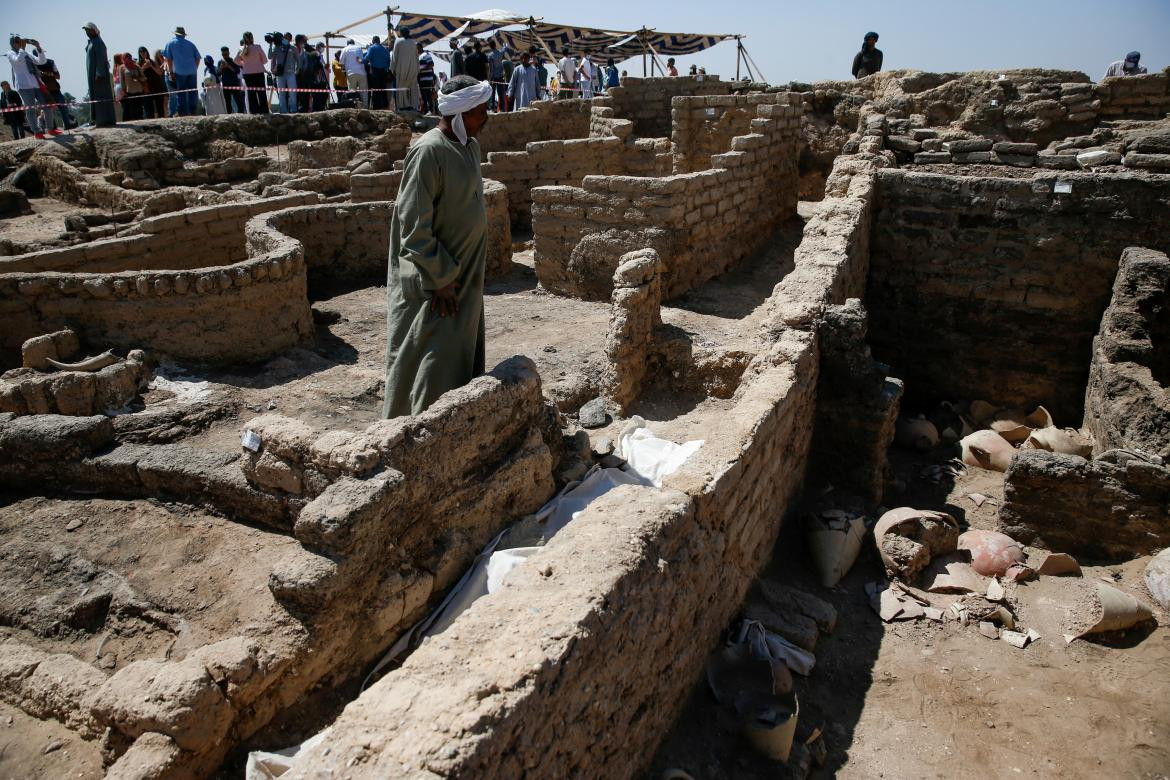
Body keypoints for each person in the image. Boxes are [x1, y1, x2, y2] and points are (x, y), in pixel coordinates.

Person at [383, 75, 493, 419]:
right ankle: (411, 433)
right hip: (437, 285)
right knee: (429, 364)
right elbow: (413, 225)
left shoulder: (470, 148)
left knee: (457, 360)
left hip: (465, 278)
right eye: (479, 111)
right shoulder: (429, 151)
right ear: (459, 114)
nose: (486, 117)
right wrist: (441, 276)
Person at [6, 35, 53, 138]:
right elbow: (17, 60)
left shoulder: (25, 53)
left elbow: (41, 61)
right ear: (13, 43)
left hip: (36, 84)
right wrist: (22, 49)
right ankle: (37, 132)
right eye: (18, 41)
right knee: (31, 109)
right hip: (24, 86)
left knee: (46, 106)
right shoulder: (10, 53)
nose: (20, 43)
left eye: (21, 41)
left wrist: (38, 48)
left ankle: (50, 129)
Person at [83, 23, 116, 127]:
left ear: (94, 30)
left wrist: (99, 73)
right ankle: (96, 119)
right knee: (95, 96)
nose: (88, 32)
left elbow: (101, 59)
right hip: (92, 75)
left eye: (89, 30)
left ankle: (104, 119)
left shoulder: (98, 42)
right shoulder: (92, 42)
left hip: (99, 77)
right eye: (86, 31)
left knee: (101, 96)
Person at [163, 26, 201, 116]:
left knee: (181, 92)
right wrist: (195, 68)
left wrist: (171, 72)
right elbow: (198, 58)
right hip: (192, 71)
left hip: (179, 71)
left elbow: (168, 59)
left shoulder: (170, 44)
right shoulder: (191, 44)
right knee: (192, 92)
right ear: (184, 35)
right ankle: (192, 111)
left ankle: (182, 112)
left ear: (175, 34)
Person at [37, 55, 75, 130]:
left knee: (64, 109)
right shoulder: (34, 64)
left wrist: (51, 74)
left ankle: (68, 127)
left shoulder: (50, 62)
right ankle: (52, 129)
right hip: (45, 92)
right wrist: (42, 73)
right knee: (48, 112)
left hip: (56, 90)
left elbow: (58, 76)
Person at [235, 32, 268, 114]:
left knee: (251, 93)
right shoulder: (257, 47)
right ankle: (264, 110)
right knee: (261, 92)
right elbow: (265, 60)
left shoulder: (241, 48)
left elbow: (236, 61)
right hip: (258, 72)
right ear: (252, 38)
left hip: (247, 74)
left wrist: (244, 64)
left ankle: (254, 111)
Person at [391, 27, 420, 112]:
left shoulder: (398, 41)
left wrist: (392, 68)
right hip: (413, 68)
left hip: (401, 68)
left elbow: (394, 56)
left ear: (401, 33)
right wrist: (417, 68)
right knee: (412, 87)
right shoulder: (413, 42)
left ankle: (403, 105)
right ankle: (413, 105)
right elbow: (416, 56)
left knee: (401, 87)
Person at [269, 32, 298, 113]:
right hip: (280, 74)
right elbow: (270, 56)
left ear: (290, 39)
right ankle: (283, 111)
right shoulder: (277, 47)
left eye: (287, 37)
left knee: (292, 93)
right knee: (281, 93)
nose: (285, 39)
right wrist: (270, 45)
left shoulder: (293, 48)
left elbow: (298, 60)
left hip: (291, 73)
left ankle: (293, 110)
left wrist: (297, 69)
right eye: (284, 37)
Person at [362, 35, 390, 109]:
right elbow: (388, 61)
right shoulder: (385, 49)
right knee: (383, 89)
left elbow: (367, 58)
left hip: (375, 71)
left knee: (376, 89)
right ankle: (385, 105)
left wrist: (361, 61)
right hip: (384, 71)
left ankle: (376, 106)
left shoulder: (372, 48)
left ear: (373, 41)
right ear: (379, 41)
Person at [118, 53, 147, 120]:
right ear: (124, 58)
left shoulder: (136, 66)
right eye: (127, 57)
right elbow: (122, 80)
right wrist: (123, 90)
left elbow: (144, 78)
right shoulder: (122, 67)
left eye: (130, 56)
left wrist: (138, 78)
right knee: (132, 109)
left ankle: (141, 121)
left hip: (139, 89)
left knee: (139, 108)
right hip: (129, 91)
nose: (129, 58)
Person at [138, 47, 165, 118]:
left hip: (157, 86)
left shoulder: (152, 62)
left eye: (144, 51)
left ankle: (161, 118)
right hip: (146, 88)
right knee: (149, 108)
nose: (143, 53)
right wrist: (144, 67)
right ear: (139, 53)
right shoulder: (138, 63)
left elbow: (159, 73)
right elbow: (138, 75)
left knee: (160, 106)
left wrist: (151, 66)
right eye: (141, 52)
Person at [340, 38, 367, 107]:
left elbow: (341, 62)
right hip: (362, 72)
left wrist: (344, 72)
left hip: (351, 73)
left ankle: (353, 107)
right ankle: (365, 107)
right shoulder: (359, 48)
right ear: (353, 43)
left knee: (352, 92)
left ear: (347, 44)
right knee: (363, 92)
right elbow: (361, 59)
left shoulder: (345, 49)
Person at [218, 46, 245, 113]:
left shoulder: (233, 61)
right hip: (225, 84)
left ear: (229, 53)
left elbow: (237, 71)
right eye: (223, 54)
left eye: (226, 54)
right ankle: (229, 115)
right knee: (228, 102)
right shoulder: (220, 62)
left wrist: (228, 66)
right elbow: (218, 73)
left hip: (234, 83)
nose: (225, 56)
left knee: (239, 101)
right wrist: (221, 67)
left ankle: (241, 114)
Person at [487, 39, 505, 110]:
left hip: (493, 77)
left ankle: (493, 108)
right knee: (501, 93)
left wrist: (489, 78)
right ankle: (502, 108)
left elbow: (491, 69)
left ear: (490, 46)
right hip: (500, 76)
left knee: (493, 93)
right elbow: (504, 49)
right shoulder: (500, 53)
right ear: (495, 45)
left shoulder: (490, 56)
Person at [418, 44, 436, 113]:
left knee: (428, 96)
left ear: (420, 48)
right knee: (424, 97)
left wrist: (421, 69)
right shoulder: (420, 56)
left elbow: (431, 64)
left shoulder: (426, 55)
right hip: (422, 80)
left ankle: (430, 111)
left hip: (427, 80)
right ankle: (426, 111)